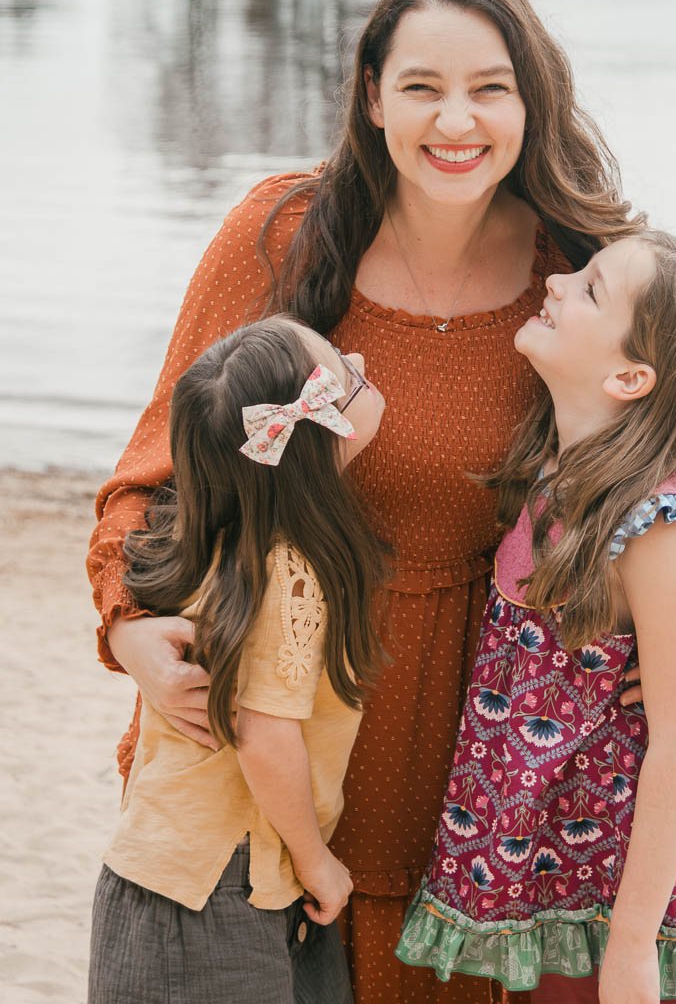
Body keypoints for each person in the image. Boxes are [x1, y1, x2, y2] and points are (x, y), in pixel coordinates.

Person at [87, 0, 676, 1004]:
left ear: (531, 101)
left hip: (495, 787)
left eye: (488, 88)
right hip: (286, 745)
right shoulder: (280, 235)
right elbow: (156, 480)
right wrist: (128, 629)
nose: (455, 122)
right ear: (371, 98)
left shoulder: (577, 272)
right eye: (419, 87)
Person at [396, 231, 676, 1004]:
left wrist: (635, 948)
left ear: (631, 376)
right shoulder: (556, 475)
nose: (560, 281)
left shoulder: (658, 524)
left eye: (593, 289)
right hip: (565, 864)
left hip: (654, 892)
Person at [88, 314, 388, 1003]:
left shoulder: (218, 539)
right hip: (210, 886)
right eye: (347, 371)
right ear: (320, 435)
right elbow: (263, 733)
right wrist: (320, 865)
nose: (360, 355)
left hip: (188, 870)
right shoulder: (292, 573)